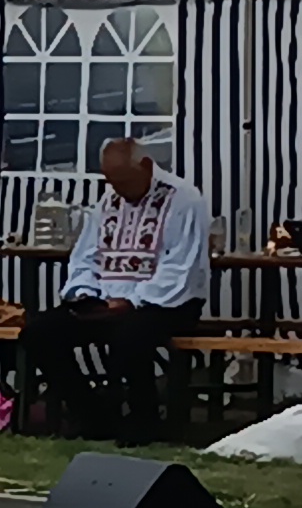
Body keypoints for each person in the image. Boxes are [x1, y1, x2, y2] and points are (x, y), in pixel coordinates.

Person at [27, 136, 210, 440]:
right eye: (112, 182)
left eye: (124, 182)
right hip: (108, 301)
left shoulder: (183, 199)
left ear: (146, 166)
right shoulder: (109, 200)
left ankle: (143, 422)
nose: (119, 190)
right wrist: (85, 294)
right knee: (39, 333)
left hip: (166, 302)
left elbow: (180, 267)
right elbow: (85, 256)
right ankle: (93, 416)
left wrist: (133, 301)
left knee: (130, 336)